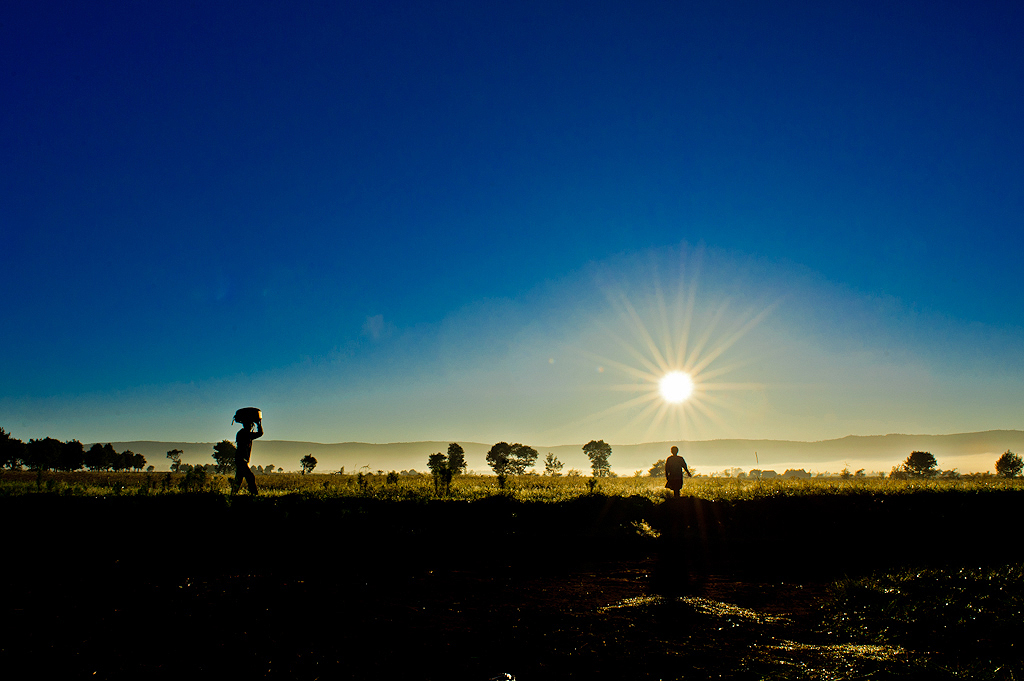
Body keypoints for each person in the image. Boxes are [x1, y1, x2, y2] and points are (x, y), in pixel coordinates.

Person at [233, 412, 263, 495]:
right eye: (250, 425)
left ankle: (233, 495)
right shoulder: (244, 434)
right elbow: (260, 434)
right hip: (241, 459)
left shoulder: (242, 433)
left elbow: (259, 434)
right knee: (250, 477)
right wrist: (259, 424)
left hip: (241, 459)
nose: (251, 427)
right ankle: (254, 494)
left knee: (238, 479)